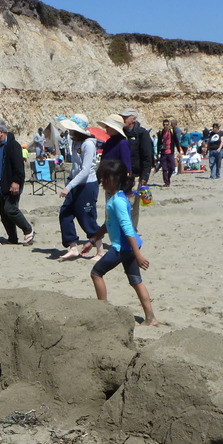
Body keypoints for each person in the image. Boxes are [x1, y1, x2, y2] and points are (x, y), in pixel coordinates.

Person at [79, 158, 157, 326]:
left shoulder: (118, 202)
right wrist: (92, 241)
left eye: (106, 178)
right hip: (128, 247)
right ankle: (151, 318)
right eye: (102, 177)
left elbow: (128, 229)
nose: (103, 181)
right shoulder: (117, 199)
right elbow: (108, 224)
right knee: (136, 281)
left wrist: (138, 255)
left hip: (123, 248)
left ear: (116, 180)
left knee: (96, 273)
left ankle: (103, 313)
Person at [56, 114, 101, 261]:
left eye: (72, 130)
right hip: (75, 183)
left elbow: (85, 170)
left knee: (87, 218)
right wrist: (70, 182)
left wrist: (68, 187)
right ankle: (73, 247)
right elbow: (75, 167)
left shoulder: (88, 144)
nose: (69, 132)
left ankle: (100, 251)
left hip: (87, 185)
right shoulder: (75, 143)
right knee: (65, 213)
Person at [0, 119, 34, 246]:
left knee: (10, 209)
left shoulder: (13, 145)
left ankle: (28, 230)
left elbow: (19, 166)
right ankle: (12, 238)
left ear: (1, 132)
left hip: (12, 184)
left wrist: (16, 182)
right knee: (4, 214)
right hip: (0, 185)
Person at [155, 119, 181, 187]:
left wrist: (179, 150)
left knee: (172, 168)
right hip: (163, 152)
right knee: (164, 168)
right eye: (164, 125)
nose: (165, 126)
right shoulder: (161, 133)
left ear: (169, 125)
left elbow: (176, 141)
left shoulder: (172, 131)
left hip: (170, 152)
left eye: (167, 124)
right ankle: (166, 182)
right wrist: (157, 152)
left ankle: (168, 178)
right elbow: (159, 143)